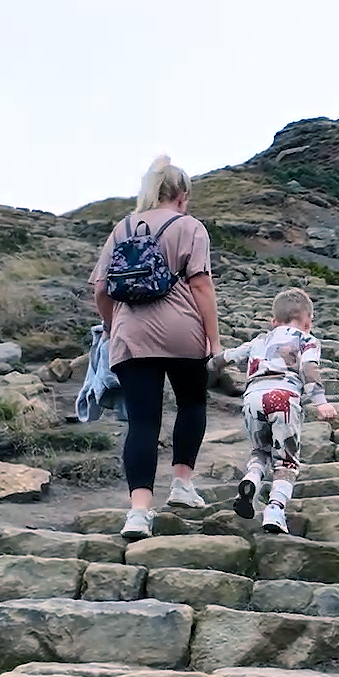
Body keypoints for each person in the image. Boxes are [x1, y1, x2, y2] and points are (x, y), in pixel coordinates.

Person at [90, 155, 220, 539]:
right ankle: (182, 484)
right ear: (181, 195)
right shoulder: (190, 226)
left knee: (143, 422)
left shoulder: (123, 227)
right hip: (183, 332)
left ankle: (138, 512)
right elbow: (201, 285)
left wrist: (112, 327)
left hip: (132, 334)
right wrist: (213, 340)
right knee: (192, 404)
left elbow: (101, 289)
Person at [211, 288, 336, 532]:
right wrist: (321, 401)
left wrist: (207, 367)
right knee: (286, 462)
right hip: (284, 399)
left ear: (273, 321)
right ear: (308, 322)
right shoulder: (307, 340)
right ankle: (275, 510)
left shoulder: (259, 341)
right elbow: (309, 369)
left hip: (253, 399)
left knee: (260, 450)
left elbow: (225, 358)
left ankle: (251, 479)